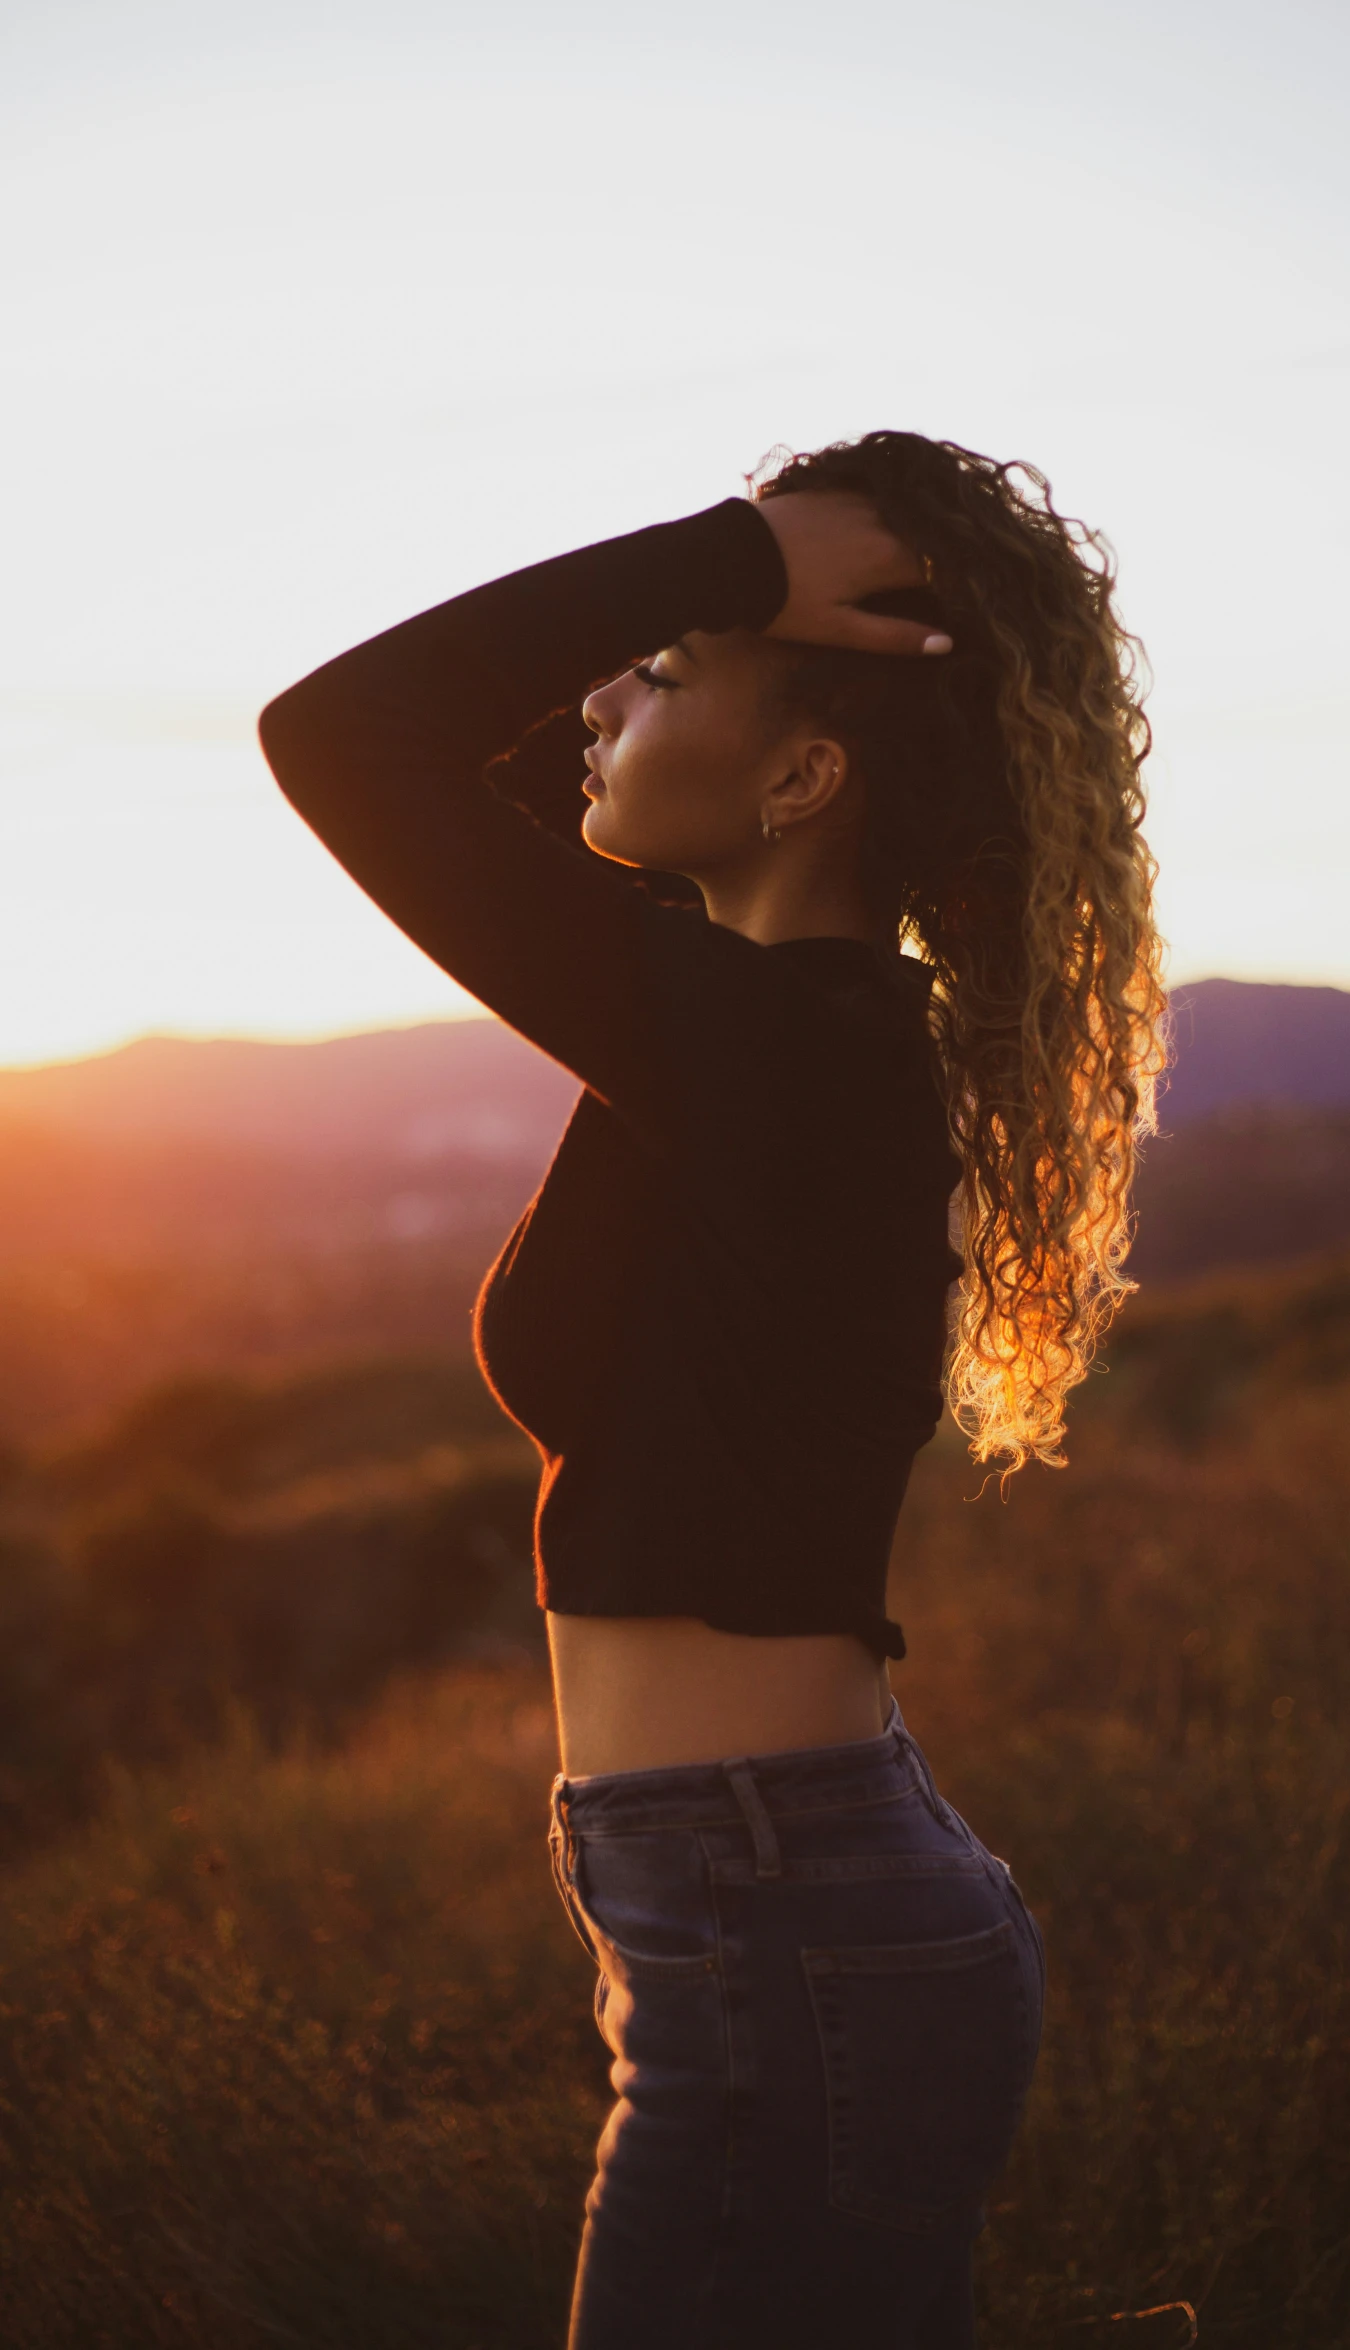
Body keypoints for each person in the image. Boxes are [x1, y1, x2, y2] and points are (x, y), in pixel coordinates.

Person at [258, 428, 1165, 2348]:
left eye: (660, 676)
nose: (600, 697)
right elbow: (516, 760)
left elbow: (345, 740)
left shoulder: (794, 1053)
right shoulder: (742, 1002)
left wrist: (730, 559)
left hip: (785, 1914)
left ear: (804, 779)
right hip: (761, 1902)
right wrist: (721, 604)